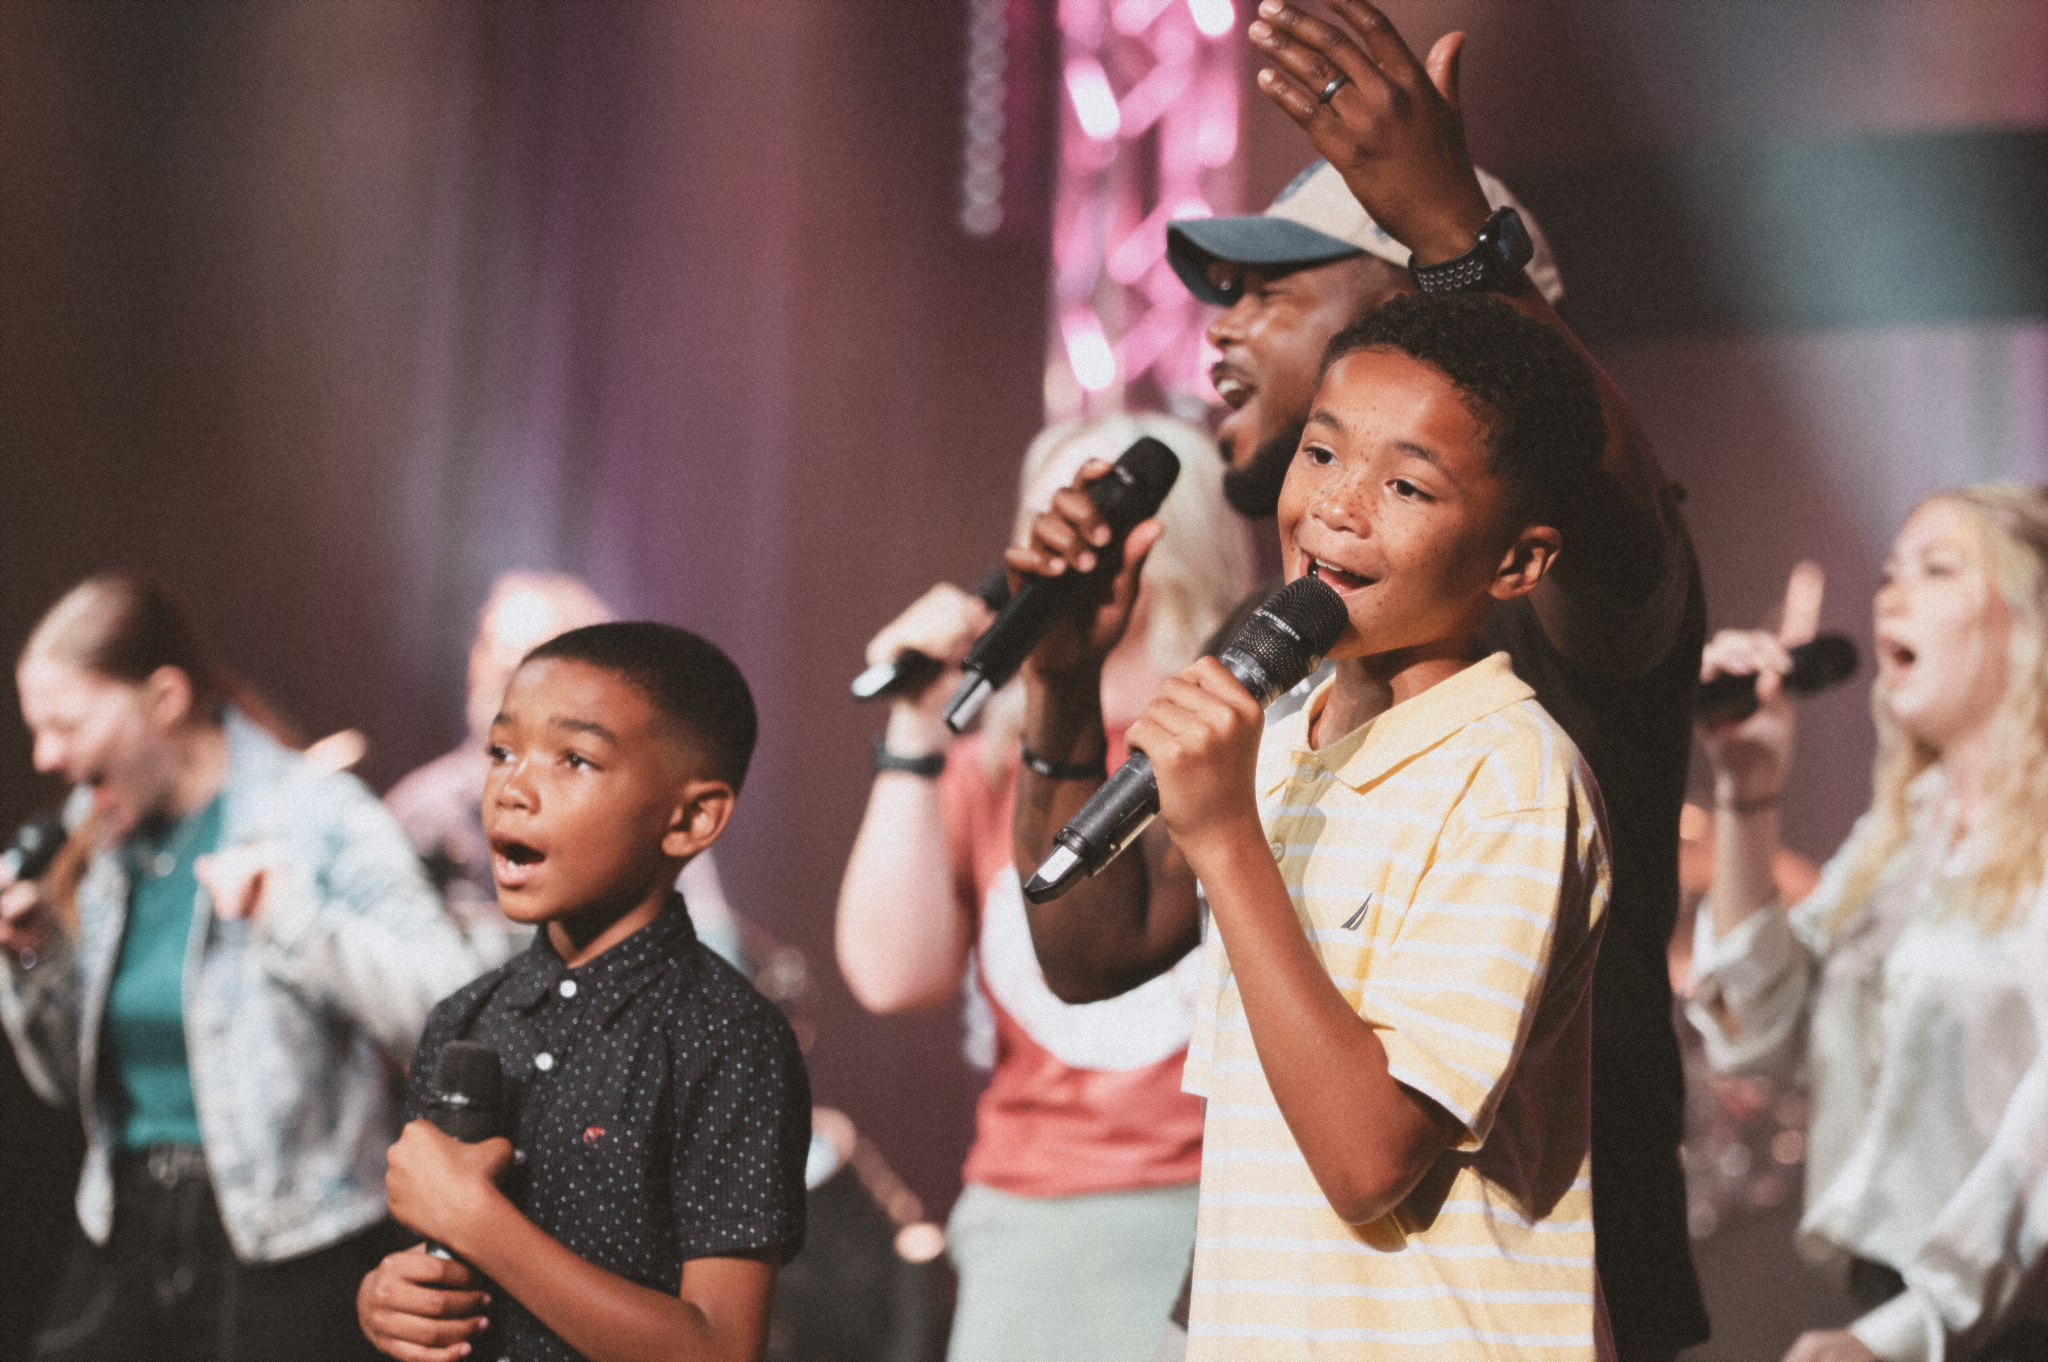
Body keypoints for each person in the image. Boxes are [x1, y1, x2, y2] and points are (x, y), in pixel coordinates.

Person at [1012, 4, 1706, 1353]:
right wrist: (1061, 686)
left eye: (1272, 292)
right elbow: (1090, 948)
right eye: (1328, 452)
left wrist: (1450, 230)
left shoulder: (1563, 615)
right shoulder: (1290, 658)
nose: (1222, 330)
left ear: (1403, 308)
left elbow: (1606, 498)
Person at [1089, 293, 1610, 1356]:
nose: (1337, 506)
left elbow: (1368, 1161)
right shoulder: (1286, 736)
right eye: (1320, 454)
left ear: (1516, 562)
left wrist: (1225, 839)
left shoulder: (1507, 775)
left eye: (1406, 485)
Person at [836, 411, 1253, 1362]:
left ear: (1167, 537)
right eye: (1045, 509)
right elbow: (891, 975)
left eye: (1093, 504)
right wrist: (915, 723)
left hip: (1215, 1207)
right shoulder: (1003, 761)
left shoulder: (1236, 745)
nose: (1060, 531)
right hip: (1032, 1220)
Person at [0, 573, 478, 1361]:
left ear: (165, 698)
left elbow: (450, 1008)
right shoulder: (99, 828)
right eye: (36, 729)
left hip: (286, 1242)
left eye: (67, 725)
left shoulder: (319, 813)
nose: (46, 755)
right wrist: (33, 957)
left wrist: (291, 919)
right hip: (126, 1218)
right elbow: (65, 1081)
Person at [357, 622, 810, 1362]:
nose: (511, 789)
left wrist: (480, 1223)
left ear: (691, 817)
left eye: (574, 760)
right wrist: (389, 1301)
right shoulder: (464, 1020)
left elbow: (721, 1347)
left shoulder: (730, 1040)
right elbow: (434, 1258)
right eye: (502, 752)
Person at [1690, 485, 2048, 1362]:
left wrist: (1905, 1333)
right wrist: (1747, 791)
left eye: (1937, 570)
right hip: (1898, 1304)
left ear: (2030, 616)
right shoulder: (1899, 843)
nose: (1891, 597)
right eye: (1889, 573)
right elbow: (1755, 1034)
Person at [387, 571, 747, 970]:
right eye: (490, 645)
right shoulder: (423, 811)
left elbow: (711, 957)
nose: (502, 666)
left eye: (530, 655)